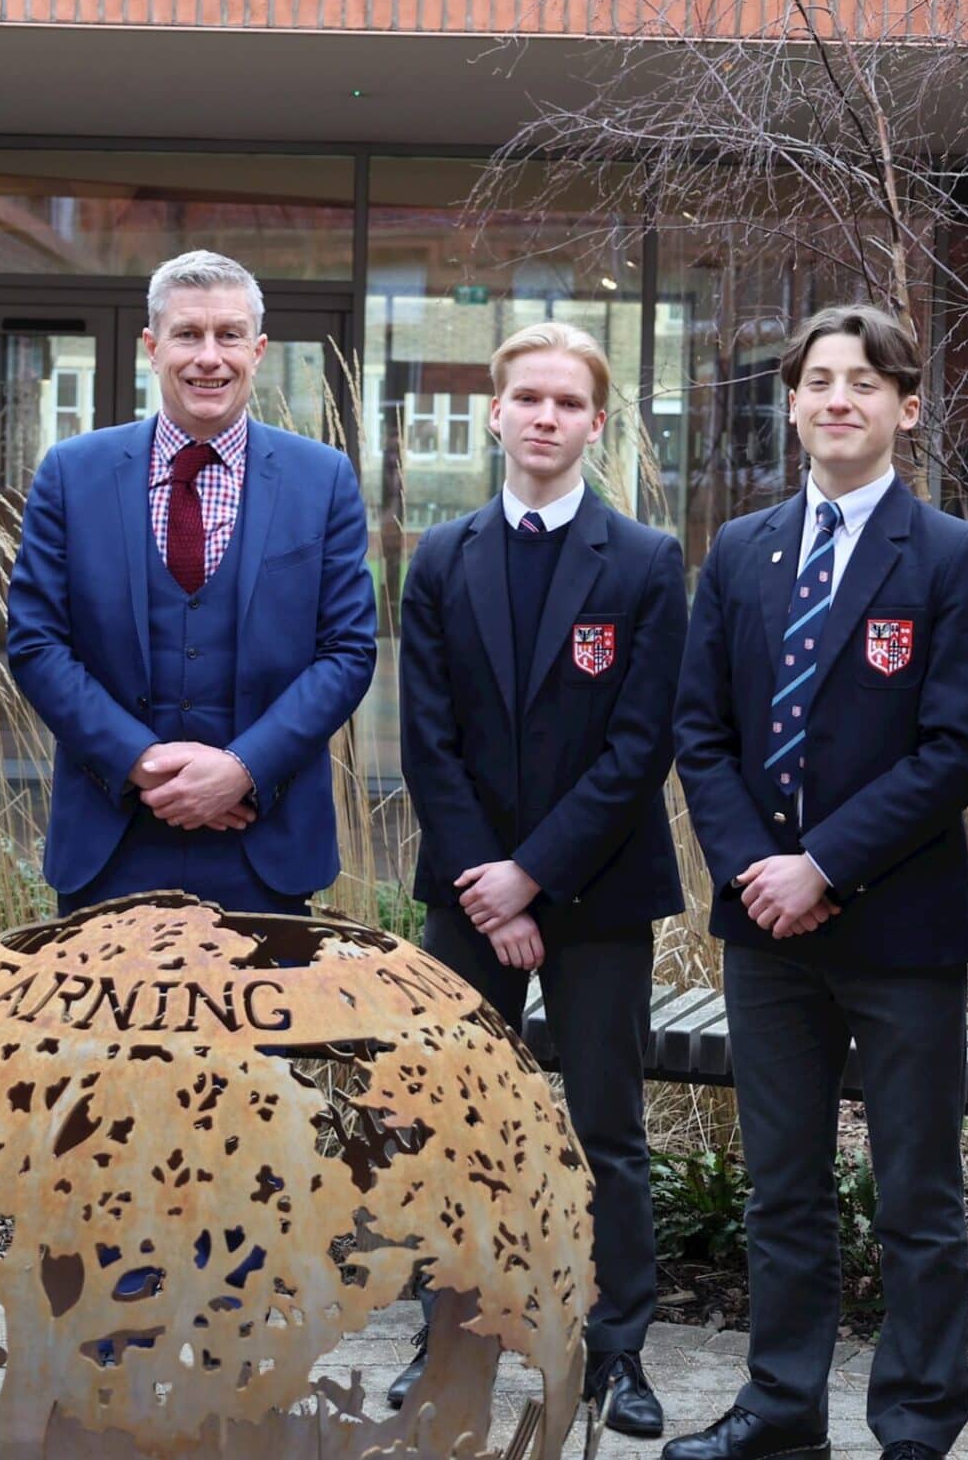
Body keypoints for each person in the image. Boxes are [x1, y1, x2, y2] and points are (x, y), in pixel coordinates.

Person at [668, 306, 968, 1460]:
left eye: (866, 381)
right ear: (796, 403)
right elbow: (699, 732)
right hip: (766, 931)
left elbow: (955, 750)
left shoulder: (956, 556)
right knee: (784, 1191)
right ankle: (780, 1411)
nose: (839, 398)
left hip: (898, 933)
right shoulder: (741, 551)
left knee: (916, 1197)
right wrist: (758, 872)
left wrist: (824, 864)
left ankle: (915, 1424)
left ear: (907, 406)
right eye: (818, 380)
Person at [389, 321, 687, 1437]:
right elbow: (429, 740)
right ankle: (450, 1350)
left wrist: (535, 881)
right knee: (454, 1127)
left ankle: (617, 1356)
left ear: (595, 422)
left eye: (570, 402)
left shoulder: (647, 562)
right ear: (499, 413)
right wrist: (486, 883)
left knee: (606, 1126)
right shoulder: (441, 556)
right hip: (466, 901)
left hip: (597, 897)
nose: (547, 418)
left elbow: (636, 749)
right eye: (529, 400)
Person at [6, 248, 375, 917]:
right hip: (111, 841)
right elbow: (36, 643)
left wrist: (242, 769)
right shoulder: (71, 473)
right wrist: (140, 760)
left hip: (266, 845)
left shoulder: (323, 480)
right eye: (187, 334)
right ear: (151, 346)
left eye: (229, 335)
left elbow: (348, 652)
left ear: (258, 350)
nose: (210, 356)